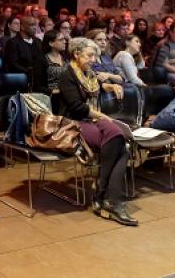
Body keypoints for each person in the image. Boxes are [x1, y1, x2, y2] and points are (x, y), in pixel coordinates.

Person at [54, 38, 137, 226]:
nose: (94, 60)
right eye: (90, 55)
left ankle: (102, 195)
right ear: (76, 54)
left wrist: (111, 85)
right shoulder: (67, 75)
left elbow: (97, 89)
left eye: (95, 56)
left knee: (120, 137)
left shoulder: (89, 74)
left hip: (91, 119)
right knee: (118, 143)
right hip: (72, 122)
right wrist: (102, 116)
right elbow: (77, 106)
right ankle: (111, 201)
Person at [3, 16, 43, 85]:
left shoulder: (38, 42)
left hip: (39, 78)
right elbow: (12, 64)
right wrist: (28, 71)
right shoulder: (13, 43)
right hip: (22, 78)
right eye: (31, 25)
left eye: (35, 25)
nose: (35, 27)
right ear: (22, 27)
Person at [33, 30, 68, 96]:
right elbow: (37, 87)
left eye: (64, 39)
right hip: (51, 96)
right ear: (51, 43)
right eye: (61, 40)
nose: (64, 42)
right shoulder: (41, 60)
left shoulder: (66, 58)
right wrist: (54, 91)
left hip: (67, 93)